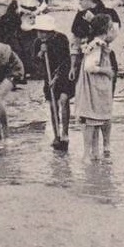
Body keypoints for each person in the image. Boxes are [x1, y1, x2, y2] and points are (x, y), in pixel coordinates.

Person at [75, 13, 116, 159]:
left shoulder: (96, 44)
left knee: (96, 120)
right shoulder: (97, 45)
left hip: (96, 85)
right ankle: (88, 153)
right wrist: (107, 71)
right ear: (108, 29)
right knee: (92, 119)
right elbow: (90, 67)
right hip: (94, 87)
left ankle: (94, 152)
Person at [32, 14, 74, 148]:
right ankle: (56, 135)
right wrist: (40, 54)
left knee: (63, 100)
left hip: (64, 74)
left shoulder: (61, 39)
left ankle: (65, 133)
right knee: (52, 105)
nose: (41, 35)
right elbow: (35, 62)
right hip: (48, 76)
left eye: (44, 32)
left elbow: (66, 60)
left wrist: (56, 78)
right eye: (39, 31)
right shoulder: (37, 43)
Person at [13, 0, 49, 80]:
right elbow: (16, 2)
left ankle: (37, 70)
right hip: (24, 16)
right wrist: (23, 11)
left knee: (37, 42)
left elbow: (44, 2)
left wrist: (37, 11)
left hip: (36, 14)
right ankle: (25, 69)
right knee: (24, 44)